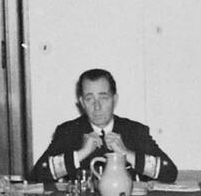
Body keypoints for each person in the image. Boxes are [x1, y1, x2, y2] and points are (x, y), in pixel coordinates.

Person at [30, 68, 178, 185]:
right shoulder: (68, 131)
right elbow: (37, 175)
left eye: (103, 98)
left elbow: (169, 172)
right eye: (89, 99)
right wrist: (81, 153)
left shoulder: (134, 131)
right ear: (82, 103)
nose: (97, 107)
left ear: (115, 100)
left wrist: (126, 153)